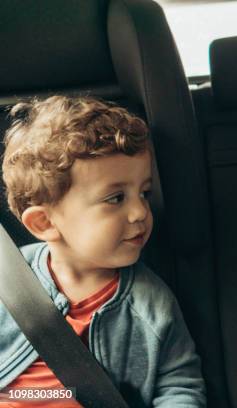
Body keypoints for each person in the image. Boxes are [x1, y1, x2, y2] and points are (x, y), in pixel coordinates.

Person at [0, 96, 206, 407]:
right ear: (44, 223)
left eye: (144, 193)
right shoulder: (7, 282)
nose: (140, 212)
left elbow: (179, 385)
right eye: (115, 199)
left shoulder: (150, 303)